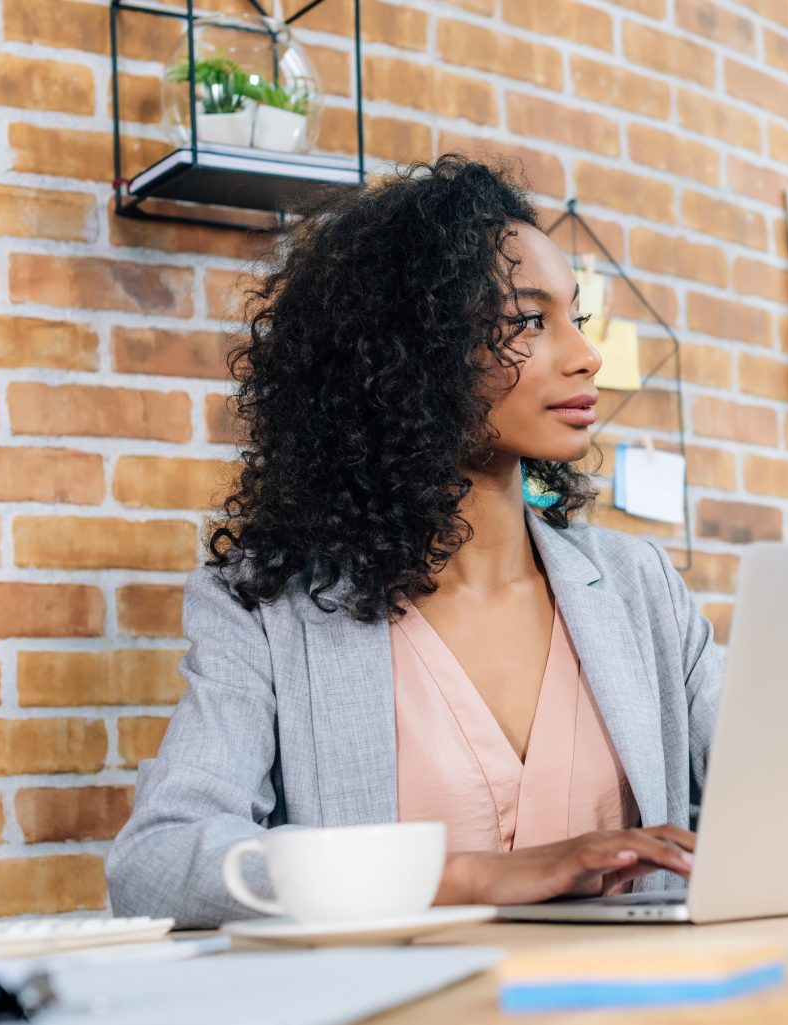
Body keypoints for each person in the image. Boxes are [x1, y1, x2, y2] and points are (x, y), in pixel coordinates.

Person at [106, 156, 723, 927]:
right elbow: (158, 863)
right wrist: (465, 879)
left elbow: (784, 794)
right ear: (412, 352)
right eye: (530, 320)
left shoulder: (640, 586)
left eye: (577, 317)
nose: (583, 354)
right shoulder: (268, 608)